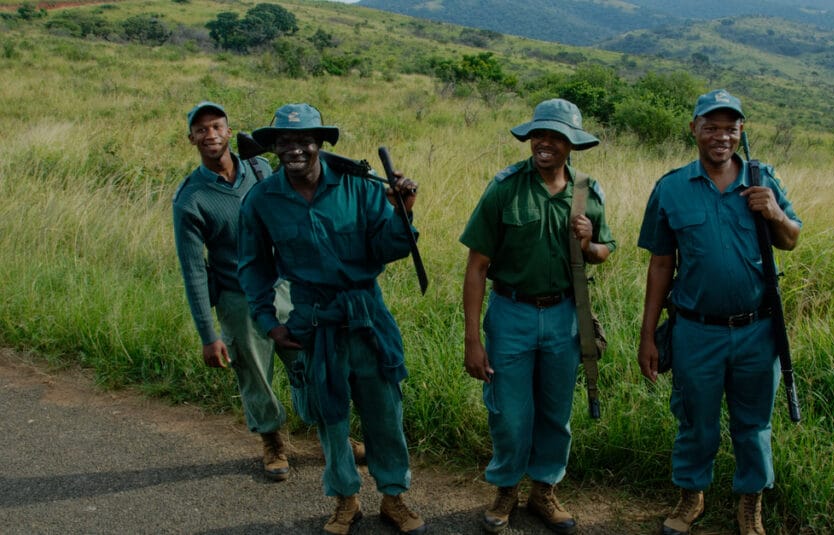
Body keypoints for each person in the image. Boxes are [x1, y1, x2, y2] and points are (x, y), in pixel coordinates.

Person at [237, 103, 425, 535]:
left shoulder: (359, 188)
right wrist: (270, 321)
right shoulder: (263, 201)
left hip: (366, 315)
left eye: (304, 140)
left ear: (319, 143)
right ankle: (346, 501)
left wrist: (403, 212)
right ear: (275, 148)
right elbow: (253, 267)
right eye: (285, 142)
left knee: (384, 412)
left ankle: (394, 498)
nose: (295, 149)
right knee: (330, 416)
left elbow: (389, 248)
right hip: (312, 320)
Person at [636, 89, 802, 535]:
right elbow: (660, 265)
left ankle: (750, 507)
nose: (721, 136)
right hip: (696, 330)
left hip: (756, 330)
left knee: (753, 425)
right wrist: (647, 335)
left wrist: (774, 214)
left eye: (730, 127)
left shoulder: (762, 178)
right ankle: (692, 498)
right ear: (693, 129)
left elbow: (791, 239)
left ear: (741, 132)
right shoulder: (671, 188)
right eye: (711, 126)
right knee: (695, 422)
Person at [460, 98, 616, 535]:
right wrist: (473, 339)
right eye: (539, 135)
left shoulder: (586, 191)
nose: (545, 144)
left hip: (565, 315)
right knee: (509, 411)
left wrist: (588, 244)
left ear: (572, 145)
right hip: (511, 313)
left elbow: (606, 250)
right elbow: (476, 266)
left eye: (557, 137)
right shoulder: (506, 187)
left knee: (554, 410)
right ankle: (506, 487)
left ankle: (544, 489)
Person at [172, 101, 295, 482]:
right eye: (201, 129)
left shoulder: (259, 169)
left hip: (282, 286)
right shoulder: (190, 198)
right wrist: (209, 336)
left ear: (229, 132)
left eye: (217, 126)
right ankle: (273, 441)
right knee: (255, 373)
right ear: (191, 138)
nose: (210, 134)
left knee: (310, 364)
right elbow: (193, 271)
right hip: (237, 297)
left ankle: (334, 434)